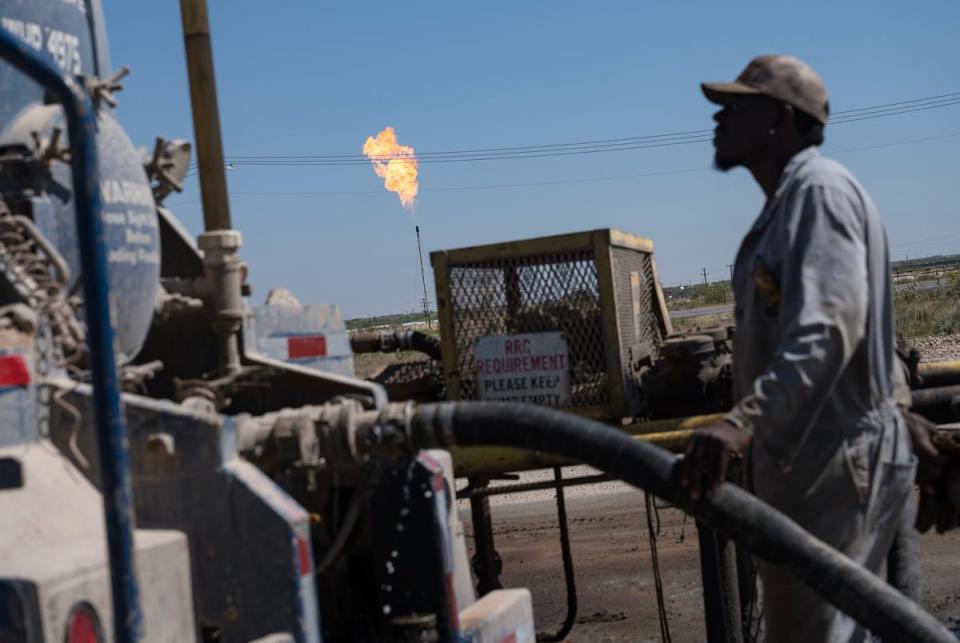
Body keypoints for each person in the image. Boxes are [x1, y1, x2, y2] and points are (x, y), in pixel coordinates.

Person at [678, 55, 933, 642]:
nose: (720, 118)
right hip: (813, 467)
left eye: (736, 105)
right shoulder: (789, 206)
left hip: (831, 470)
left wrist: (740, 424)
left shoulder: (819, 195)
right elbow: (857, 325)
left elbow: (828, 330)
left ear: (781, 121)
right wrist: (897, 407)